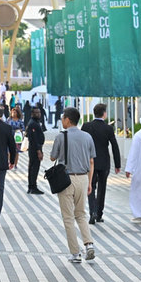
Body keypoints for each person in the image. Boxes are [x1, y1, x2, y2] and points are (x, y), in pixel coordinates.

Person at [50, 107, 97, 264]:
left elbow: (52, 157)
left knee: (68, 217)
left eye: (63, 118)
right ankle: (89, 244)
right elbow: (91, 161)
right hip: (83, 178)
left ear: (68, 120)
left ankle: (75, 253)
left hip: (66, 180)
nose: (62, 120)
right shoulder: (87, 137)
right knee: (81, 214)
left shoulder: (61, 137)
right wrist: (90, 182)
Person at [81, 103, 121, 224]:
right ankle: (99, 214)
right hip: (104, 162)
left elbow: (80, 143)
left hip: (89, 161)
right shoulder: (108, 128)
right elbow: (114, 146)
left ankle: (92, 211)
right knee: (102, 188)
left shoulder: (86, 126)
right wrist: (118, 164)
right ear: (104, 114)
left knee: (91, 186)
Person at [25, 108, 46, 195]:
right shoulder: (33, 124)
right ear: (32, 114)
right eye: (36, 113)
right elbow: (34, 139)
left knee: (32, 168)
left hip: (34, 148)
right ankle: (33, 186)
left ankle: (31, 186)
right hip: (34, 149)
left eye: (39, 112)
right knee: (34, 168)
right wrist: (39, 151)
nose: (38, 114)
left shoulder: (35, 122)